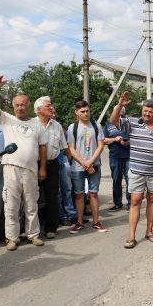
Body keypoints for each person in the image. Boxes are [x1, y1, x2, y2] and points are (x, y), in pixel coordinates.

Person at [0, 76, 47, 251]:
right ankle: (12, 238)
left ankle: (33, 235)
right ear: (13, 107)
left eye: (23, 104)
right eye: (17, 105)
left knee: (31, 203)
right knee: (11, 205)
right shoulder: (7, 119)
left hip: (31, 169)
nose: (20, 107)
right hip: (11, 167)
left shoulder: (37, 124)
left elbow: (43, 148)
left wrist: (43, 168)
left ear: (28, 106)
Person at [110, 95, 153, 249]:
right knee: (135, 201)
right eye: (145, 111)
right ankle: (131, 237)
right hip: (137, 171)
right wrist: (119, 104)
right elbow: (113, 121)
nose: (147, 114)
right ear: (142, 111)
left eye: (150, 112)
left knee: (152, 200)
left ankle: (149, 232)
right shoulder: (132, 123)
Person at [67, 100, 107, 234]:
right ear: (77, 113)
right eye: (82, 111)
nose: (86, 114)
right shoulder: (72, 128)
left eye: (87, 111)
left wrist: (90, 161)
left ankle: (96, 222)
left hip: (94, 165)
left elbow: (101, 145)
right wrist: (83, 162)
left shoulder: (96, 126)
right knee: (79, 195)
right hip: (78, 166)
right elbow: (71, 149)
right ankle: (79, 222)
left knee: (94, 194)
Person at [35, 96, 68, 239]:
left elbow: (64, 147)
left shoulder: (57, 126)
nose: (52, 108)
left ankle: (51, 228)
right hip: (34, 164)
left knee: (52, 197)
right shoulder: (31, 125)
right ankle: (32, 230)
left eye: (51, 105)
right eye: (48, 106)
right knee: (32, 198)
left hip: (53, 164)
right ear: (38, 110)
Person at [103, 106, 131, 212]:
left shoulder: (128, 123)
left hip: (128, 156)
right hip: (115, 157)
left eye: (122, 114)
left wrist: (128, 142)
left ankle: (130, 203)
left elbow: (135, 138)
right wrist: (115, 139)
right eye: (118, 114)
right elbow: (103, 140)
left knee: (130, 181)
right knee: (116, 181)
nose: (120, 116)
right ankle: (117, 203)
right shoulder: (108, 125)